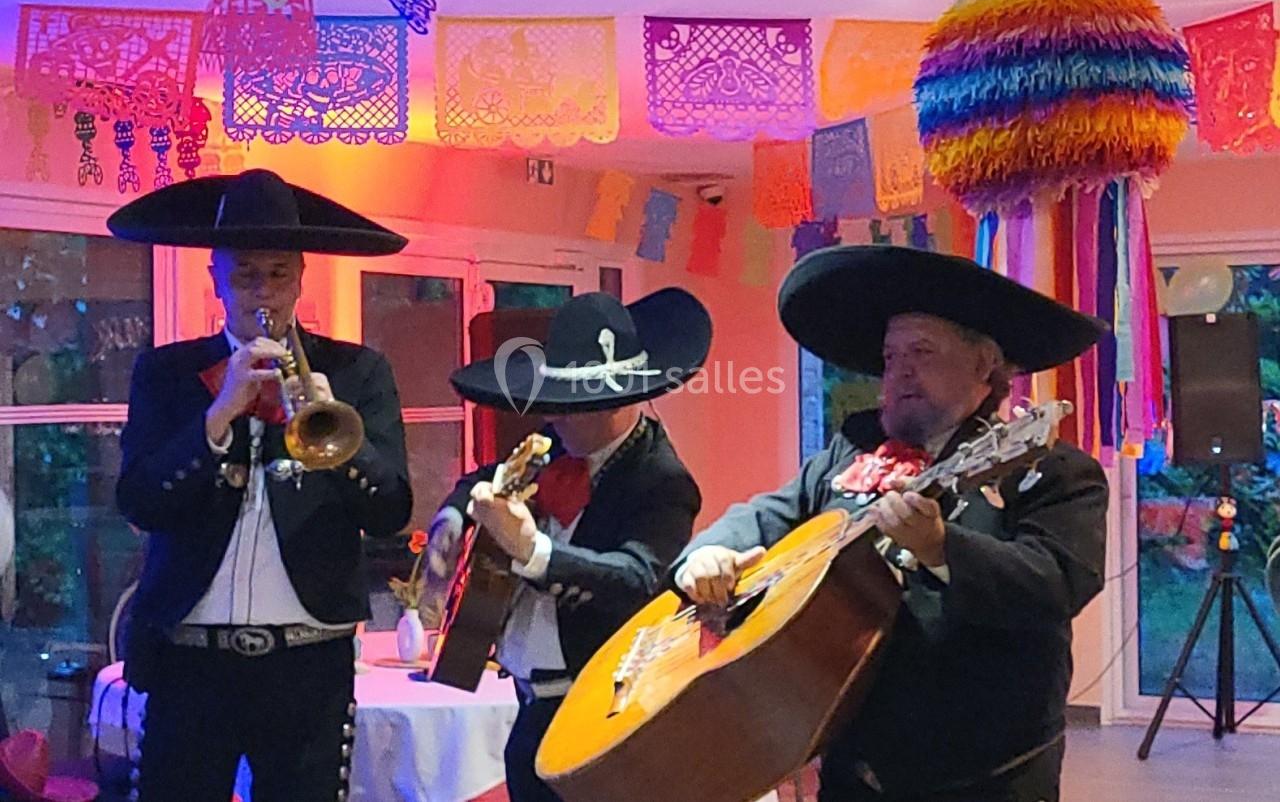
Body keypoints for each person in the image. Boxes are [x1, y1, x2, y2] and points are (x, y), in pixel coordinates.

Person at [675, 245, 1109, 802]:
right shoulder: (853, 450)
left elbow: (1054, 583)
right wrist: (706, 555)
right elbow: (768, 514)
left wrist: (941, 548)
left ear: (985, 364)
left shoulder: (1054, 472)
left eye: (922, 351)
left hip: (983, 779)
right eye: (890, 355)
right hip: (853, 769)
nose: (900, 370)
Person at [110, 169, 413, 802]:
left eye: (279, 273)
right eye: (247, 274)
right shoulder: (166, 373)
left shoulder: (357, 371)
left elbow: (392, 511)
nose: (263, 291)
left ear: (301, 278)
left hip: (308, 664)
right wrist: (217, 416)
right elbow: (138, 500)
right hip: (191, 662)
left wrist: (340, 443)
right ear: (216, 279)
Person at [427, 289, 711, 802]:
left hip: (604, 722)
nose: (554, 418)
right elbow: (479, 479)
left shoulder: (662, 480)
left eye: (571, 408)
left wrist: (533, 552)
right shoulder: (555, 445)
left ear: (617, 402)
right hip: (530, 710)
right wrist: (451, 517)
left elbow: (636, 579)